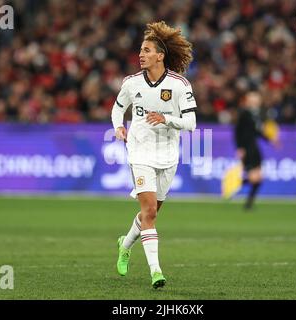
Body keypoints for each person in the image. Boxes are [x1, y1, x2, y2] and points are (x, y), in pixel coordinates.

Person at [111, 21, 196, 289]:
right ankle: (156, 272)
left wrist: (166, 119)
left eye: (146, 50)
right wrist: (119, 126)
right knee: (149, 211)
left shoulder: (180, 85)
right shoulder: (131, 83)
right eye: (140, 50)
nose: (141, 54)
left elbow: (191, 123)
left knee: (151, 213)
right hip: (139, 153)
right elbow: (117, 109)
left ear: (160, 55)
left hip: (168, 155)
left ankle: (124, 245)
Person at [234, 90, 278, 210]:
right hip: (248, 148)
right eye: (252, 100)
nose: (255, 102)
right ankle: (237, 183)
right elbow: (238, 132)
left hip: (254, 147)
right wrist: (240, 148)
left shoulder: (257, 115)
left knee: (258, 179)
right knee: (255, 178)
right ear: (248, 102)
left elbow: (258, 132)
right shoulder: (244, 114)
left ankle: (248, 203)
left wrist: (271, 140)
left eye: (256, 100)